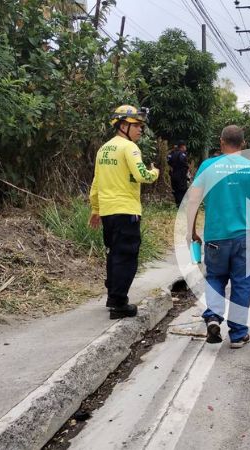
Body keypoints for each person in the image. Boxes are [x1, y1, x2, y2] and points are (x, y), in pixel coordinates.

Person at [186, 125, 250, 348]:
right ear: (243, 144)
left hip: (215, 238)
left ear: (221, 141)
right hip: (243, 238)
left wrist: (191, 231)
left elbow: (193, 200)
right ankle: (237, 335)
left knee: (215, 277)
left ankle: (214, 317)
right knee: (242, 284)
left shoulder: (207, 166)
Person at [89, 105, 160, 319]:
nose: (140, 129)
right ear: (122, 125)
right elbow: (142, 176)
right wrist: (154, 172)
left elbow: (95, 183)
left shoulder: (104, 149)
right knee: (127, 256)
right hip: (126, 210)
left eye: (141, 125)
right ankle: (119, 304)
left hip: (109, 211)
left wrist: (96, 209)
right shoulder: (130, 148)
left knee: (114, 254)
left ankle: (113, 295)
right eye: (136, 125)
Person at [167, 140, 189, 207]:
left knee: (176, 190)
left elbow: (168, 161)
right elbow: (184, 164)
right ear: (182, 146)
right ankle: (182, 206)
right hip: (181, 175)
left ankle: (178, 204)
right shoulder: (182, 154)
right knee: (182, 190)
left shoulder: (171, 153)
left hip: (173, 175)